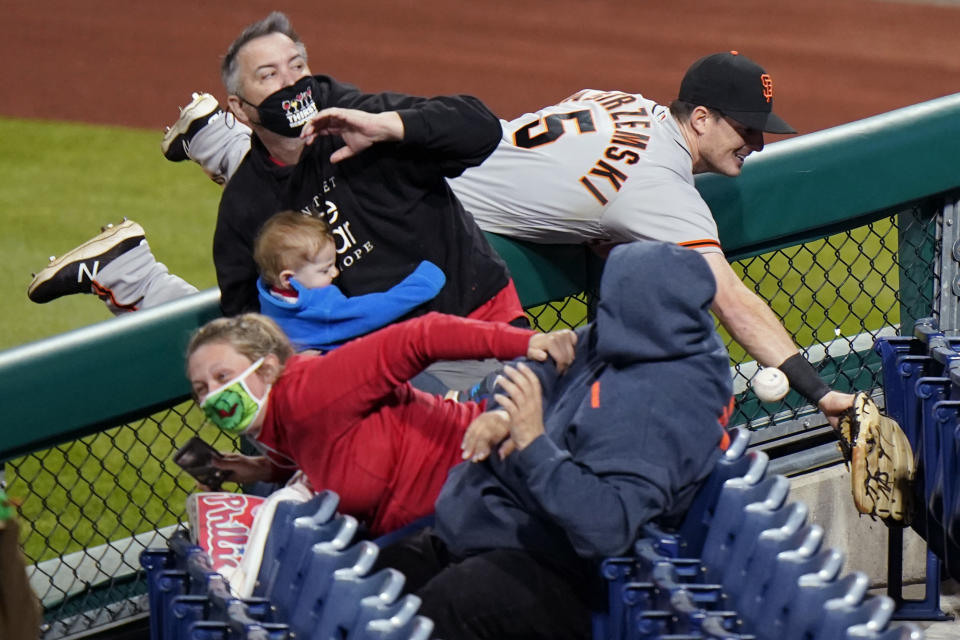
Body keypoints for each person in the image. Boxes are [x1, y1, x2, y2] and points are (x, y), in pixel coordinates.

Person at [27, 42, 852, 421]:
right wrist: (824, 393)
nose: (758, 141)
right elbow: (730, 301)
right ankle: (137, 268)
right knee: (287, 351)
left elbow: (587, 201)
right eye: (746, 128)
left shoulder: (628, 103)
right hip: (431, 229)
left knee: (306, 186)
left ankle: (207, 151)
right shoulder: (663, 187)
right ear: (698, 117)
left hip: (432, 170)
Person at [29, 11, 525, 393]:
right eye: (268, 75)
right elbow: (251, 323)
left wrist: (394, 127)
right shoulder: (245, 207)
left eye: (297, 66)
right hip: (372, 376)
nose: (290, 83)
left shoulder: (365, 120)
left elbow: (481, 128)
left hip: (474, 333)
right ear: (240, 110)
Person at [370, 240, 734, 640]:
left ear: (643, 311)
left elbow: (609, 528)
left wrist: (533, 442)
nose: (601, 313)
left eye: (613, 303)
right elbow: (551, 359)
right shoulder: (635, 335)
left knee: (436, 611)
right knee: (371, 581)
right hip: (496, 529)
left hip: (570, 577)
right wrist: (505, 413)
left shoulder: (663, 408)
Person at [186, 312, 576, 537]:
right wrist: (257, 469)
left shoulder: (314, 389)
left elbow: (420, 336)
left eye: (223, 377)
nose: (212, 396)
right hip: (438, 517)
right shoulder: (273, 420)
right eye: (201, 388)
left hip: (486, 474)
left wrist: (525, 342)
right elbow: (324, 450)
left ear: (267, 367)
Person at [253, 210, 445, 352]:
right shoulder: (320, 307)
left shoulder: (270, 296)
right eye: (325, 269)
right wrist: (424, 282)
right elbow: (373, 311)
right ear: (287, 278)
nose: (335, 272)